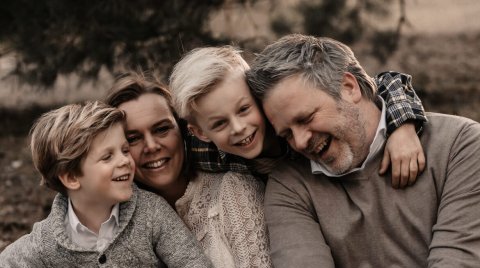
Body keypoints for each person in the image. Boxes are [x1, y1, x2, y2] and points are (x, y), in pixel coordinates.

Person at [244, 34, 480, 268]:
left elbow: (459, 266)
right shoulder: (290, 184)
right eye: (287, 134)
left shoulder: (459, 143)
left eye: (306, 119)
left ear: (349, 87)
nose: (300, 142)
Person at [29, 73, 286, 268]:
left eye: (162, 129)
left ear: (184, 130)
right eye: (133, 138)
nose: (152, 146)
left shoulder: (232, 192)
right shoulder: (124, 216)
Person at [0, 102, 230, 268]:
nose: (125, 161)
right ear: (71, 177)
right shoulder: (49, 240)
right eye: (108, 156)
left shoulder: (151, 213)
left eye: (124, 150)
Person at [169, 45, 426, 187]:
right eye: (219, 123)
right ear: (202, 133)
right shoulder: (205, 149)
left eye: (244, 109)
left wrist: (402, 125)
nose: (238, 128)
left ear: (257, 95)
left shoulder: (292, 119)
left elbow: (384, 82)